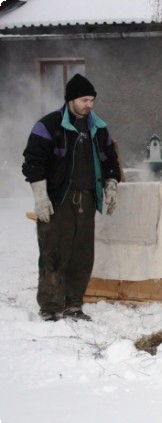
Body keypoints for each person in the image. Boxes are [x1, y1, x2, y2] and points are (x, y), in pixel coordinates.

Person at [22, 73, 121, 322]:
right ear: (71, 100)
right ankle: (51, 307)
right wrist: (40, 197)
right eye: (85, 99)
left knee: (82, 253)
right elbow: (33, 163)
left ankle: (73, 304)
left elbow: (110, 159)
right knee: (54, 252)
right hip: (58, 200)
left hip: (86, 199)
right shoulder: (49, 126)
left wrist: (111, 184)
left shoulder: (97, 128)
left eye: (92, 100)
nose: (89, 105)